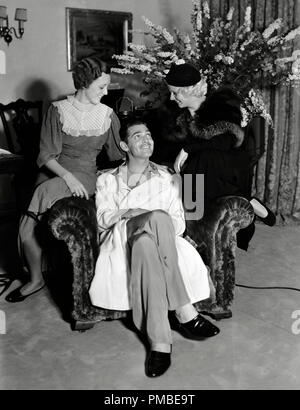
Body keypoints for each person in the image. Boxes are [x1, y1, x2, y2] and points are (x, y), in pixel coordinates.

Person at [89, 118, 220, 378]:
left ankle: (160, 343)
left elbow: (179, 224)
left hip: (157, 241)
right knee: (156, 217)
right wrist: (136, 212)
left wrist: (148, 218)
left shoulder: (167, 177)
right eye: (138, 136)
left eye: (148, 134)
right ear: (124, 145)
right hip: (120, 237)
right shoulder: (107, 179)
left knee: (147, 243)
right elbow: (104, 217)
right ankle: (184, 310)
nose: (146, 139)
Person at [5, 55, 125, 303]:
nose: (105, 93)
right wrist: (67, 178)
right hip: (55, 173)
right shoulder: (58, 110)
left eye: (106, 87)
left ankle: (38, 276)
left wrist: (133, 143)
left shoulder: (107, 115)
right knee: (29, 220)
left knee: (35, 206)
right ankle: (36, 278)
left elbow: (115, 154)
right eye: (101, 87)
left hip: (86, 175)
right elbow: (46, 155)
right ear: (84, 82)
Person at [164, 62, 276, 250]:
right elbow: (168, 146)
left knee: (203, 159)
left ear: (192, 88)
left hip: (229, 165)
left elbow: (227, 141)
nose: (171, 97)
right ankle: (199, 221)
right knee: (196, 163)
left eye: (176, 92)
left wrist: (188, 149)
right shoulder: (175, 113)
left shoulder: (222, 105)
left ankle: (195, 223)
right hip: (204, 173)